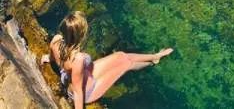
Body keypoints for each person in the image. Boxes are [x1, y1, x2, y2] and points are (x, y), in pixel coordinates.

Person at [41, 11, 173, 108]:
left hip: (86, 74)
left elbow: (52, 55)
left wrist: (48, 58)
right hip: (88, 90)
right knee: (126, 64)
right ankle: (152, 63)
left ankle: (155, 56)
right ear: (80, 35)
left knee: (121, 55)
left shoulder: (57, 39)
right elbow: (78, 91)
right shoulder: (78, 59)